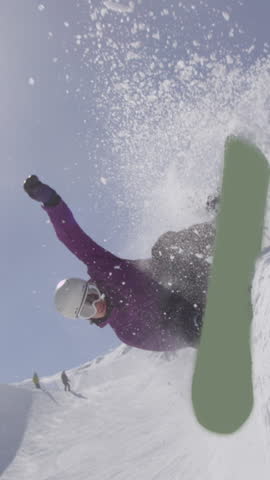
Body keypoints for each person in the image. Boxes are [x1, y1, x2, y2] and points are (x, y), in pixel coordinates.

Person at [24, 175, 217, 352]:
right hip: (192, 307)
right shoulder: (126, 331)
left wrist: (51, 202)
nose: (96, 305)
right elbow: (166, 341)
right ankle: (217, 325)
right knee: (176, 318)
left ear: (90, 286)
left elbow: (72, 237)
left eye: (91, 296)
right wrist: (193, 325)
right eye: (86, 310)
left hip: (183, 272)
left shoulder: (102, 268)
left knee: (164, 247)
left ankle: (217, 227)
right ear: (83, 317)